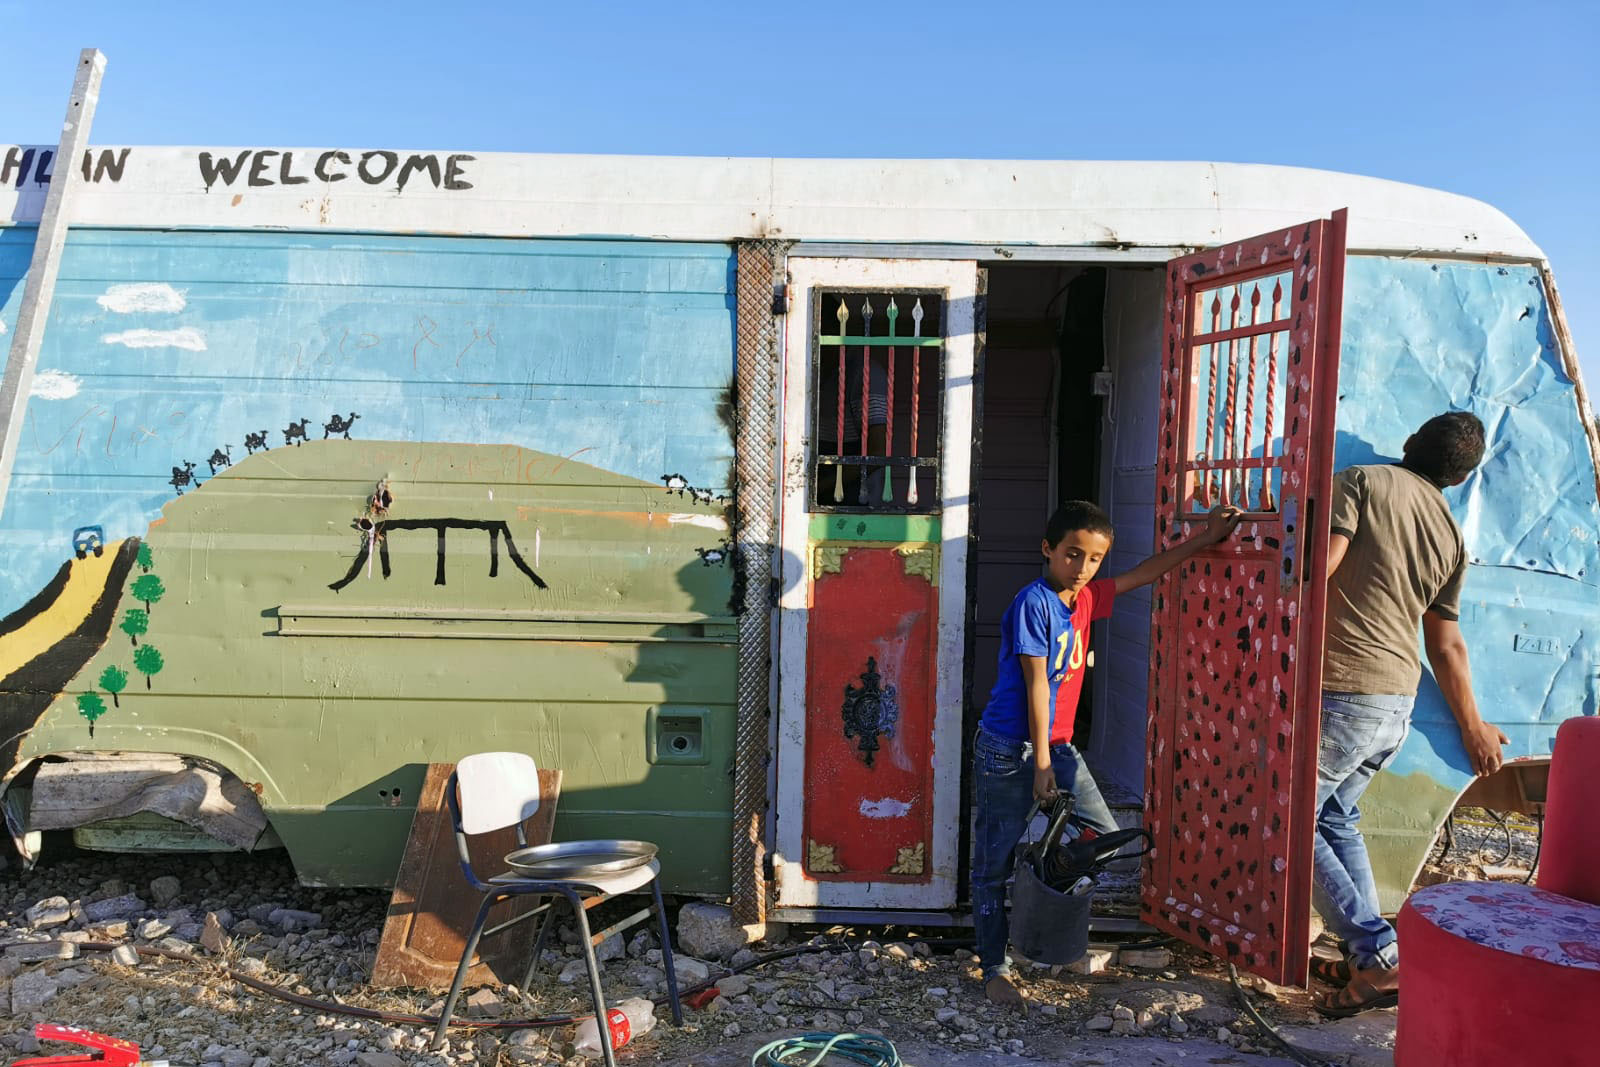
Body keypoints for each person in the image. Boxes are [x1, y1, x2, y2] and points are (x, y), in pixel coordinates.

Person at [972, 498, 1242, 1009]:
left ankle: (1043, 898)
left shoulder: (1089, 599)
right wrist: (1043, 766)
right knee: (991, 865)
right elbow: (1037, 688)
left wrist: (1205, 540)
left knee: (1103, 837)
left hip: (1057, 748)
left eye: (1094, 559)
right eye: (1073, 554)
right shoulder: (1035, 602)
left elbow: (1143, 573)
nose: (1082, 567)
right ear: (1048, 549)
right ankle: (994, 968)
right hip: (1011, 749)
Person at [1311, 412, 1508, 1017]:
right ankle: (1368, 962)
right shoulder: (1451, 536)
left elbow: (1318, 571)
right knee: (1337, 818)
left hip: (1343, 691)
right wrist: (1472, 724)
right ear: (1458, 478)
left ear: (1408, 443)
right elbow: (1445, 644)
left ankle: (1378, 953)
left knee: (1292, 820)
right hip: (1396, 703)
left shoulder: (1362, 484)